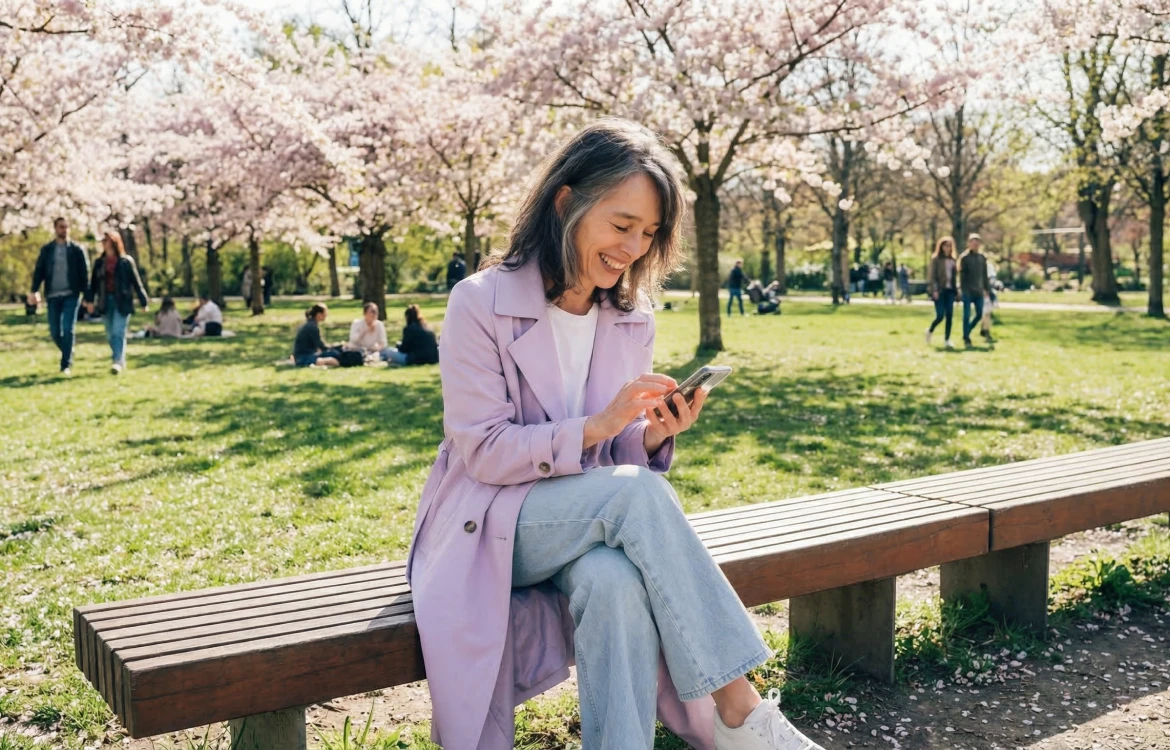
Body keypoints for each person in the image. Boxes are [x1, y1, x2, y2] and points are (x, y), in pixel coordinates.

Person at [407, 119, 823, 750]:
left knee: (616, 584)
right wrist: (597, 426)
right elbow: (485, 451)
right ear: (567, 202)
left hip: (586, 519)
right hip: (488, 523)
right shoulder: (479, 302)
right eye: (621, 225)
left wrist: (651, 438)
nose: (633, 246)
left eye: (648, 233)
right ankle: (739, 709)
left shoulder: (630, 319)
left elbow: (615, 457)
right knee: (635, 496)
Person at [28, 217, 90, 374]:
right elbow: (39, 271)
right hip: (53, 295)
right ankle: (68, 351)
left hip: (71, 294)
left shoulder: (76, 250)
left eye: (66, 227)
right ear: (55, 228)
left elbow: (84, 275)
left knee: (68, 328)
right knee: (55, 331)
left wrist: (88, 298)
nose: (64, 230)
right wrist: (34, 290)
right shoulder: (47, 250)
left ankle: (66, 365)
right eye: (61, 227)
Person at [85, 231, 150, 373]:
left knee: (118, 331)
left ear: (114, 242)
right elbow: (93, 284)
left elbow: (136, 282)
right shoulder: (99, 263)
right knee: (110, 333)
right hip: (105, 300)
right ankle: (119, 358)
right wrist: (89, 301)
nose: (104, 243)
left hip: (122, 300)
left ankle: (117, 361)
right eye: (103, 240)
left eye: (106, 240)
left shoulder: (126, 262)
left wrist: (143, 301)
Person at [959, 233, 992, 348]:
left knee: (979, 314)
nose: (975, 244)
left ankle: (967, 331)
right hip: (967, 291)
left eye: (977, 242)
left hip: (979, 291)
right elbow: (962, 276)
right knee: (966, 315)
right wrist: (962, 290)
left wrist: (986, 289)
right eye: (973, 242)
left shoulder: (982, 258)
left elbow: (984, 275)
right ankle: (966, 338)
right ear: (969, 243)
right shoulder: (964, 258)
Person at [926, 236, 959, 349]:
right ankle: (930, 330)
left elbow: (954, 277)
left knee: (949, 315)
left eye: (949, 246)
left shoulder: (953, 260)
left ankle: (947, 339)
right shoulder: (936, 260)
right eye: (945, 246)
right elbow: (932, 276)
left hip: (950, 291)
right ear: (941, 247)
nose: (947, 248)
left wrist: (956, 290)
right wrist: (934, 290)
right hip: (939, 290)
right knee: (940, 315)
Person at [293, 303, 341, 367]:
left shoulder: (310, 324)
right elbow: (322, 347)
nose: (326, 316)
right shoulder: (312, 327)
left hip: (302, 356)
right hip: (304, 358)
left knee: (333, 353)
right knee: (334, 354)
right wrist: (339, 346)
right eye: (325, 314)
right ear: (318, 314)